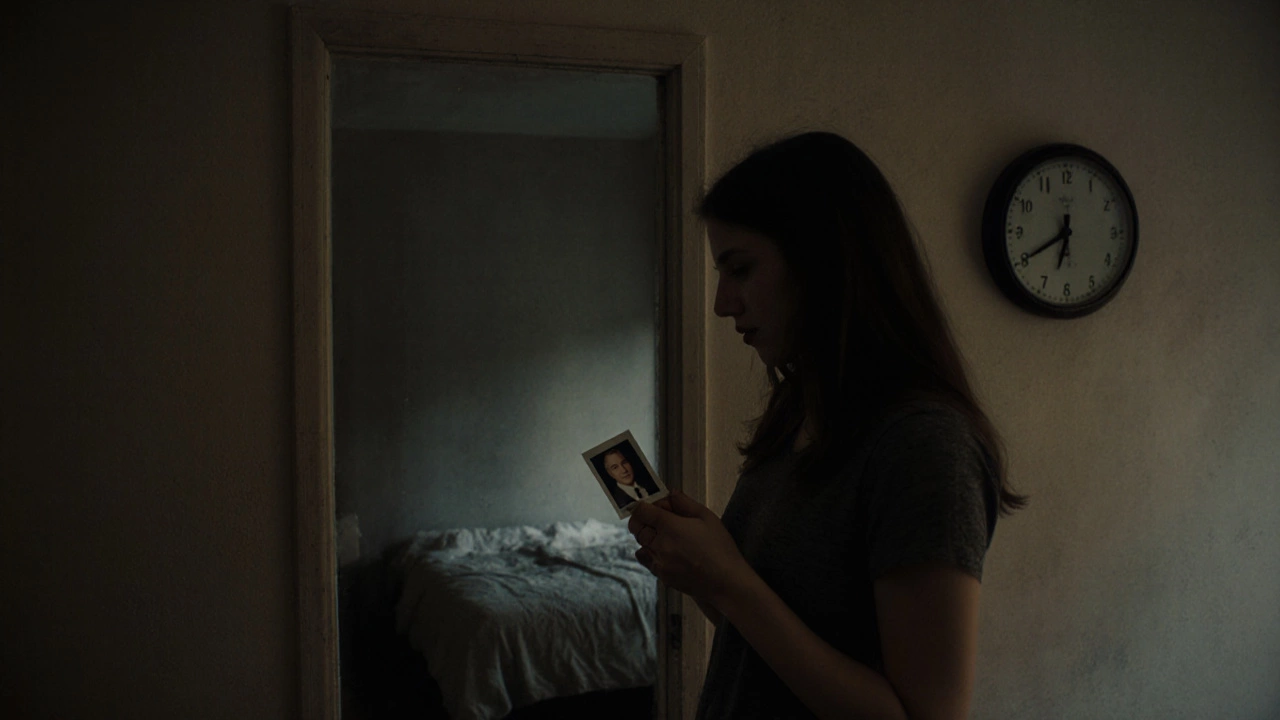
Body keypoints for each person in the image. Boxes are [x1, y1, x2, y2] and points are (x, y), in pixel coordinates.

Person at [627, 131, 1027, 720]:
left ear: (824, 260)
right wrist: (708, 577)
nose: (721, 303)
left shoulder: (923, 446)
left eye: (740, 269)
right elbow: (773, 644)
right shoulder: (797, 412)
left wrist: (733, 581)